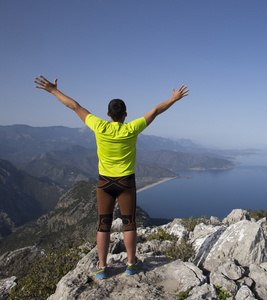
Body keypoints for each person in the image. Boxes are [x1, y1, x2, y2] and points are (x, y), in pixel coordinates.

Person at [34, 75, 189, 279]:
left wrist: (53, 91)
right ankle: (132, 264)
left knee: (103, 224)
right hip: (126, 183)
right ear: (126, 114)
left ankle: (101, 267)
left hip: (105, 182)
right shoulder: (131, 129)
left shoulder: (99, 126)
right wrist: (174, 99)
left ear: (108, 114)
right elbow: (156, 111)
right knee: (129, 223)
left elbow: (74, 106)